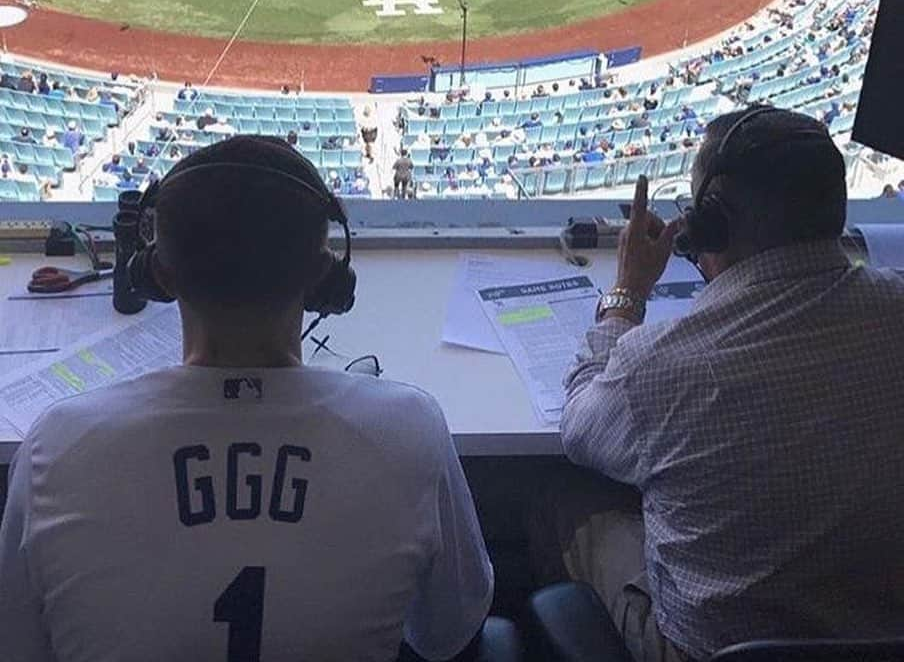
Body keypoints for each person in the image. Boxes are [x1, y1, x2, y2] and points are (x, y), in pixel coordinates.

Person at [0, 136, 493, 661]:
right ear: (325, 274)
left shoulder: (56, 449)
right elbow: (447, 633)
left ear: (158, 275)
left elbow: (18, 645)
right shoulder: (411, 431)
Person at [533, 107, 904, 662]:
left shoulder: (660, 365)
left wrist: (626, 295)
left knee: (558, 499)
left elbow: (580, 426)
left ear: (710, 226)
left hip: (707, 650)